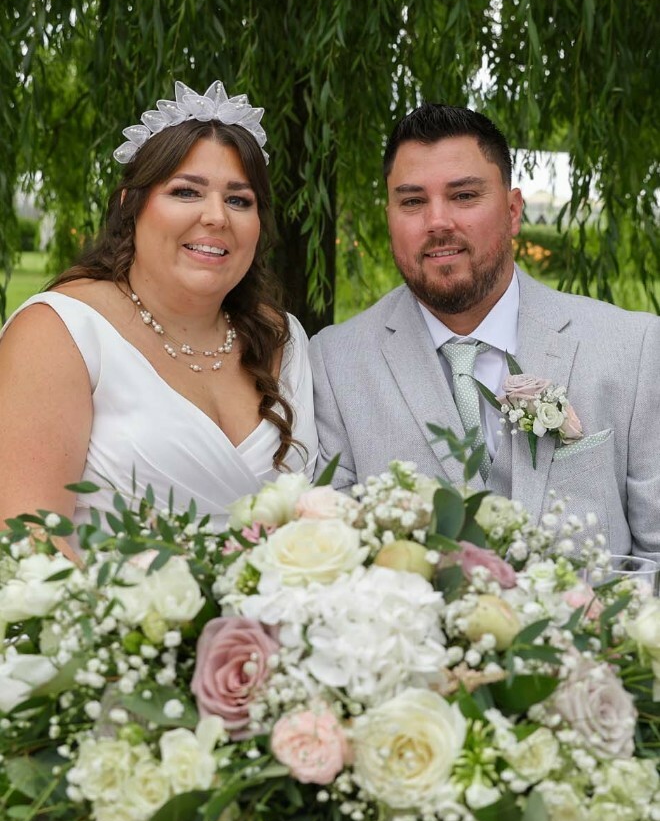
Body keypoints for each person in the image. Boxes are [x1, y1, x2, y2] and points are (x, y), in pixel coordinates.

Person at [310, 102, 660, 561]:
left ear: (513, 211)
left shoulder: (633, 348)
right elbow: (333, 559)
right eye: (413, 201)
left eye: (464, 196)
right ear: (390, 215)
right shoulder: (334, 363)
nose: (437, 222)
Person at [0, 81, 317, 556]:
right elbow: (28, 546)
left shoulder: (282, 336)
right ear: (132, 205)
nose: (217, 217)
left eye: (239, 199)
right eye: (186, 192)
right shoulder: (60, 332)